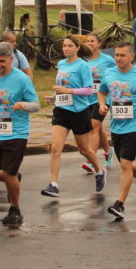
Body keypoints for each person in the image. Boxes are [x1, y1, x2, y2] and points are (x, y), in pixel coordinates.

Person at [0, 41, 40, 226]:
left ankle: (15, 209)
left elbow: (36, 105)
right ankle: (13, 178)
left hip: (16, 133)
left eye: (2, 61)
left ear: (12, 60)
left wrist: (23, 105)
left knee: (8, 173)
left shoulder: (22, 79)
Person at [97, 44, 136, 219]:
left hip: (135, 124)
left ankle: (120, 204)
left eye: (122, 55)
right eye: (116, 55)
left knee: (125, 165)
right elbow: (102, 92)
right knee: (127, 163)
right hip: (116, 126)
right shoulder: (109, 73)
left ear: (132, 57)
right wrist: (102, 104)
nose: (118, 58)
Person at [43, 36, 103, 198]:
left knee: (84, 150)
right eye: (64, 46)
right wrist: (53, 97)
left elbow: (89, 90)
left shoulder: (83, 66)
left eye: (69, 46)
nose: (66, 48)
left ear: (77, 48)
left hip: (79, 112)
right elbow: (63, 87)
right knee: (56, 148)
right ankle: (53, 184)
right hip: (61, 110)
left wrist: (68, 92)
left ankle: (98, 171)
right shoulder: (61, 64)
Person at [82, 33, 116, 170]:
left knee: (94, 126)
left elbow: (117, 71)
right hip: (88, 99)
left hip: (103, 98)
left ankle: (91, 160)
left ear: (99, 44)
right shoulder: (83, 60)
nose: (89, 43)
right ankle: (108, 151)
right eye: (87, 41)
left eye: (92, 41)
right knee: (98, 127)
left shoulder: (107, 60)